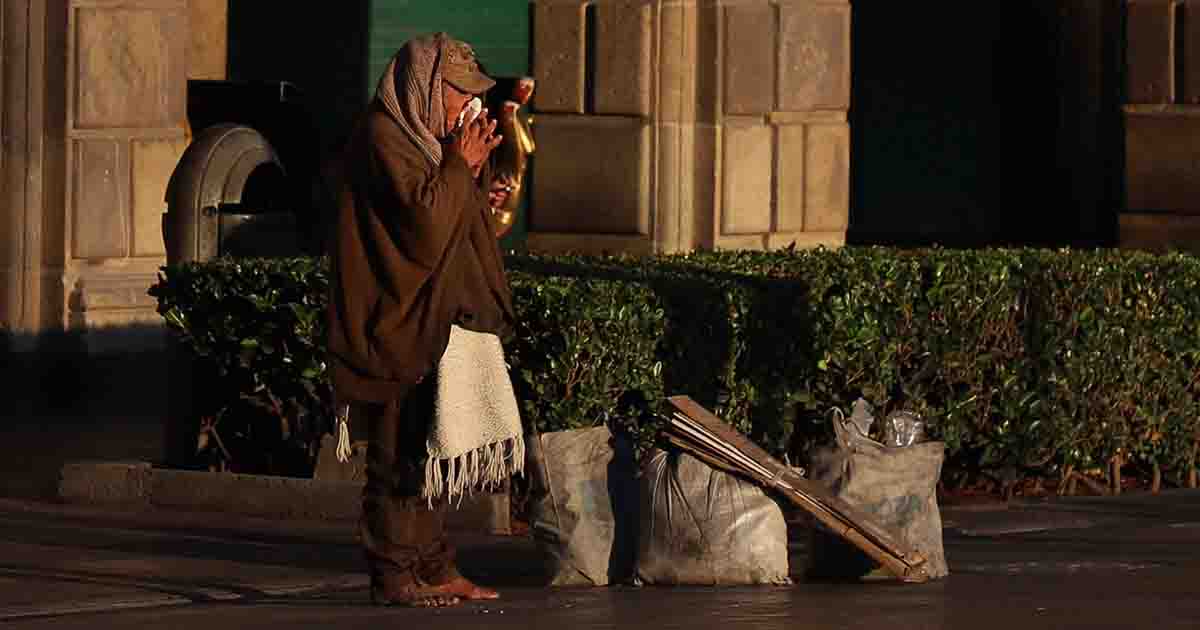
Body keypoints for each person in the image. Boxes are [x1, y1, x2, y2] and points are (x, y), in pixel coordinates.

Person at [325, 32, 518, 608]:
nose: (468, 108)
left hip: (435, 315)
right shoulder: (386, 137)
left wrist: (477, 174)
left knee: (430, 448)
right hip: (392, 315)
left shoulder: (428, 140)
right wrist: (462, 162)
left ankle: (436, 567)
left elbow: (452, 208)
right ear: (427, 89)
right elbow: (425, 225)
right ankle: (392, 575)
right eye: (460, 95)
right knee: (394, 451)